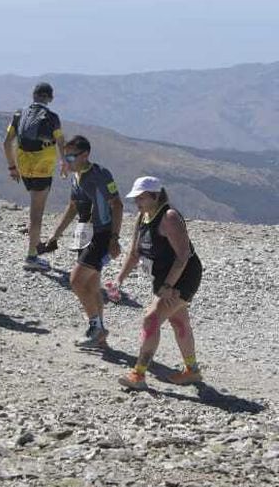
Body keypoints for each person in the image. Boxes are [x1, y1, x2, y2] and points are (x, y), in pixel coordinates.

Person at [113, 176, 203, 388]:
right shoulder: (142, 217)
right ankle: (192, 371)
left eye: (141, 198)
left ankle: (138, 374)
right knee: (178, 320)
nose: (137, 202)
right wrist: (119, 279)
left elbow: (182, 257)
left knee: (151, 318)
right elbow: (134, 253)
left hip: (183, 276)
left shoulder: (169, 217)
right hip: (163, 278)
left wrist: (168, 287)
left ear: (155, 196)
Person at [43, 136, 122, 348]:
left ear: (85, 155)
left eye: (70, 156)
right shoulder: (76, 176)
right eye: (65, 156)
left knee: (76, 281)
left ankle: (96, 327)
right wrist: (56, 234)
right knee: (92, 285)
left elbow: (117, 205)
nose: (66, 161)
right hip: (84, 234)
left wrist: (114, 238)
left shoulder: (100, 175)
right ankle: (100, 336)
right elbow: (73, 206)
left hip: (101, 234)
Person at [2, 82, 64, 271]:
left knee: (34, 211)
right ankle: (31, 256)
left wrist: (12, 167)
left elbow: (6, 143)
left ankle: (33, 253)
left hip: (24, 167)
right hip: (42, 169)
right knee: (36, 215)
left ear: (34, 95)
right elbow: (61, 142)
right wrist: (66, 164)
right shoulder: (52, 117)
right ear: (50, 98)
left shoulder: (19, 114)